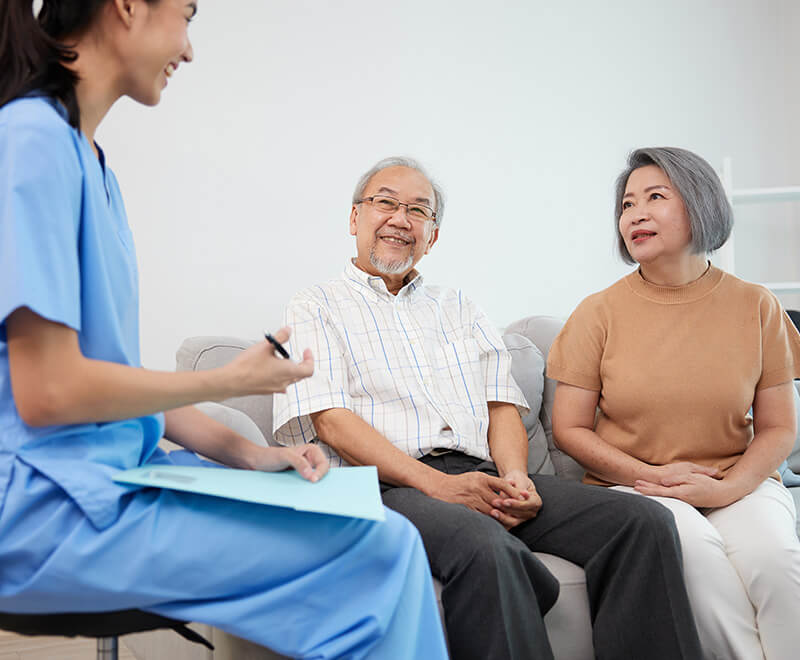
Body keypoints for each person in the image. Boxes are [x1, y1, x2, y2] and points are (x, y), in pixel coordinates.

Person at [0, 2, 448, 658]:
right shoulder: (30, 141)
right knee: (379, 552)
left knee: (378, 537)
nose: (188, 49)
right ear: (127, 7)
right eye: (184, 15)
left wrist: (251, 455)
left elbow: (114, 377)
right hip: (44, 508)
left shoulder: (90, 163)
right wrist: (230, 379)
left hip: (108, 479)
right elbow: (51, 393)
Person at [272, 156, 705, 660]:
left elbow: (503, 407)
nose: (400, 218)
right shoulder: (314, 306)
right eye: (385, 202)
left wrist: (517, 477)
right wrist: (436, 484)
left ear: (432, 235)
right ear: (354, 219)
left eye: (418, 210)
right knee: (484, 546)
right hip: (383, 485)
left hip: (482, 472)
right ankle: (520, 578)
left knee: (641, 521)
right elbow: (330, 420)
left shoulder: (458, 306)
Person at [548, 146, 800, 660]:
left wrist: (726, 487)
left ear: (700, 204)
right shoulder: (597, 313)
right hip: (640, 487)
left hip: (737, 478)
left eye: (655, 197)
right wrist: (655, 477)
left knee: (776, 561)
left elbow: (779, 428)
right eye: (626, 204)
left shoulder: (757, 305)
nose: (634, 213)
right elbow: (569, 429)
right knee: (697, 557)